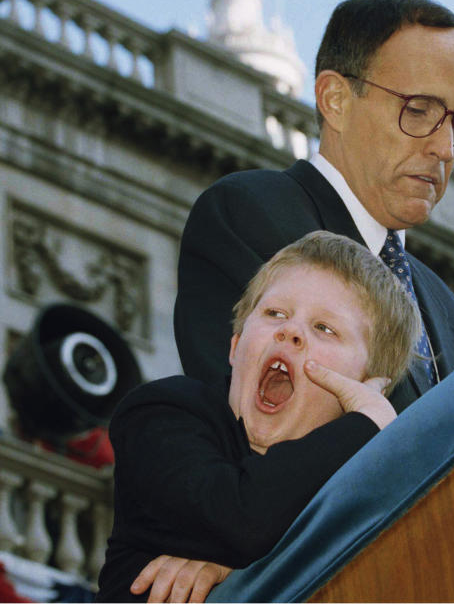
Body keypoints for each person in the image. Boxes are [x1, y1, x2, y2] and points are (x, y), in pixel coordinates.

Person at [175, 0, 454, 413]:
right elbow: (253, 428)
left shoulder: (453, 317)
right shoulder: (247, 215)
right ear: (335, 100)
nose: (446, 148)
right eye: (418, 111)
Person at [96, 231, 420, 602]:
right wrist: (367, 424)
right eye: (274, 313)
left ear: (365, 387)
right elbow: (240, 520)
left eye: (324, 328)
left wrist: (233, 572)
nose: (290, 331)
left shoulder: (370, 498)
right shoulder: (162, 413)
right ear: (236, 346)